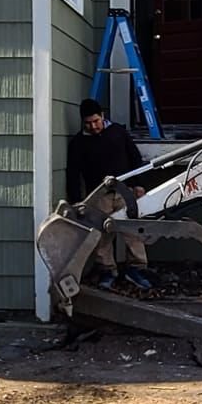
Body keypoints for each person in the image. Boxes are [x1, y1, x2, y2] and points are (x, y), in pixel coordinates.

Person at [65, 98, 152, 290]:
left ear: (102, 116)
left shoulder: (118, 133)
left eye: (96, 121)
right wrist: (77, 201)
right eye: (88, 123)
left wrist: (139, 184)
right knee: (102, 235)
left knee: (132, 230)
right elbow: (73, 173)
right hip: (98, 195)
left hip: (124, 191)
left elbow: (135, 158)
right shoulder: (78, 143)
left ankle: (136, 269)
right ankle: (107, 270)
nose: (93, 126)